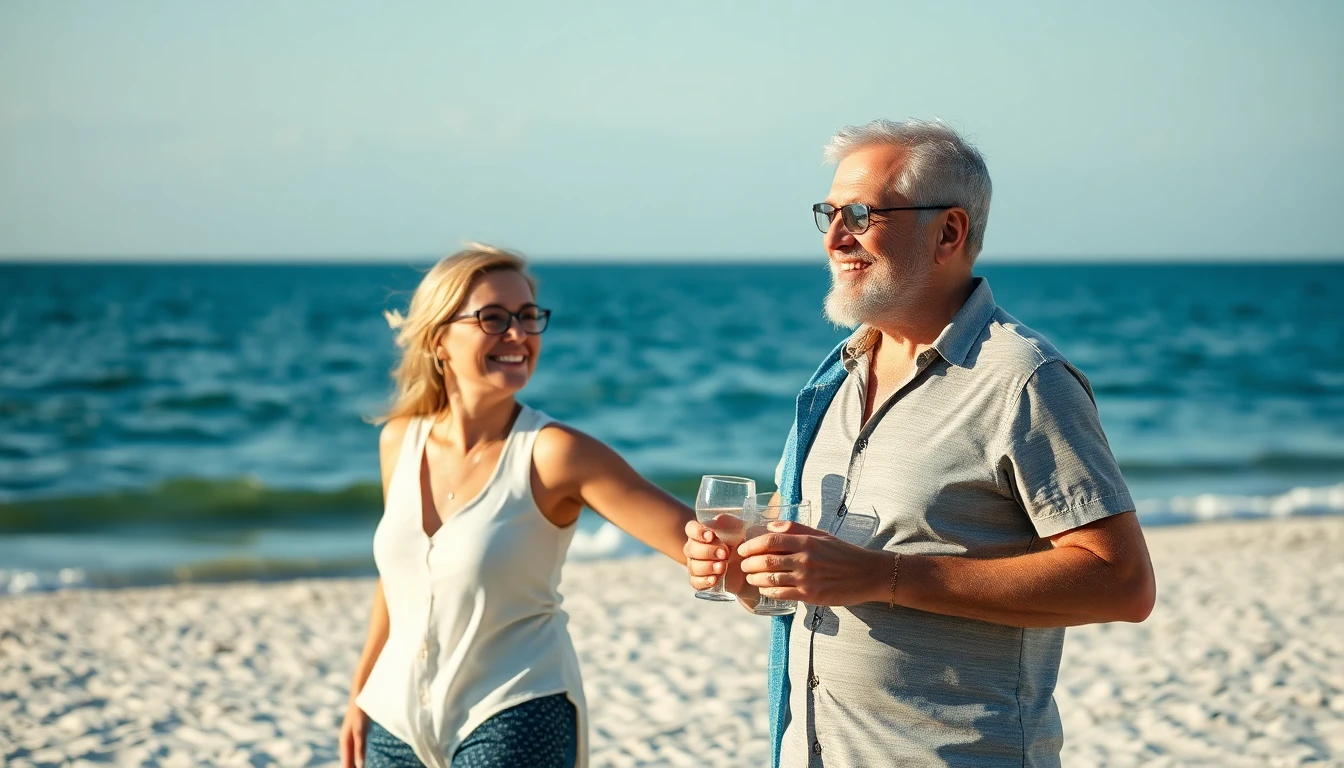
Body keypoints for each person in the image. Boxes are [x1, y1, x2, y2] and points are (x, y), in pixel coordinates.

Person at [684, 120, 1157, 767]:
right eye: (828, 212)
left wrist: (885, 576)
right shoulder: (835, 380)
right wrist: (749, 578)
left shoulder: (1024, 379)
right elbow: (813, 588)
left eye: (861, 213)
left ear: (949, 233)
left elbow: (1123, 583)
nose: (834, 237)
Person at [340, 244, 694, 768]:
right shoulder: (399, 440)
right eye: (493, 318)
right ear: (439, 338)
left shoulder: (555, 453)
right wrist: (359, 692)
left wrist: (783, 551)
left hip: (513, 713)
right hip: (393, 720)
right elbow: (399, 581)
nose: (518, 335)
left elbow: (695, 542)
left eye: (528, 318)